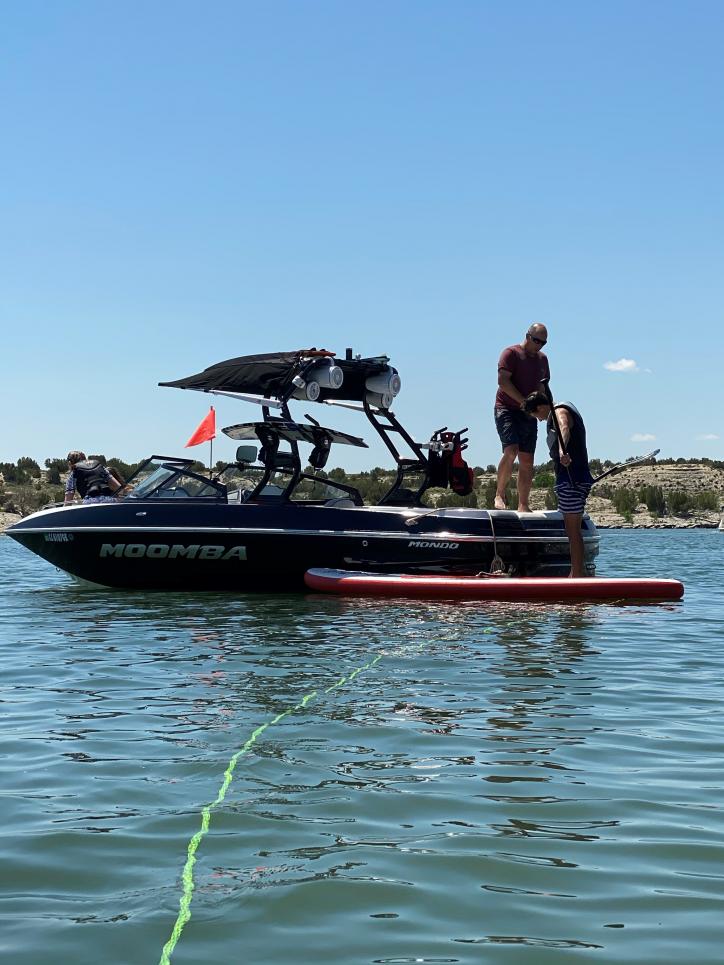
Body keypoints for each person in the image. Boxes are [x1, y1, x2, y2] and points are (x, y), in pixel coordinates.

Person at [522, 391, 594, 577]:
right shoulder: (559, 411)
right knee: (572, 530)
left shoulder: (559, 412)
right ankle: (577, 573)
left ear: (540, 407)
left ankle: (576, 575)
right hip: (575, 477)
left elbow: (564, 428)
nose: (539, 420)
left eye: (536, 415)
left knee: (573, 531)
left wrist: (562, 450)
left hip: (572, 478)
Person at [494, 323, 550, 512]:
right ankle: (500, 494)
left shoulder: (542, 360)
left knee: (527, 460)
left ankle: (523, 504)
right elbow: (503, 382)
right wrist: (525, 403)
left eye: (543, 343)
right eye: (536, 341)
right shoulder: (511, 353)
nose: (539, 345)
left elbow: (543, 389)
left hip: (529, 413)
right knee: (511, 450)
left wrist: (545, 410)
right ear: (527, 336)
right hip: (507, 409)